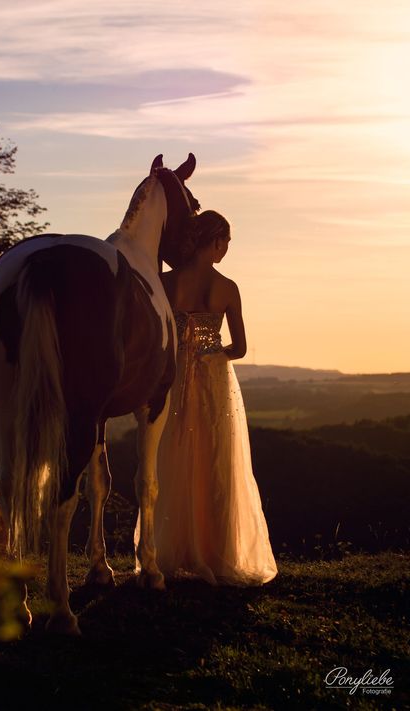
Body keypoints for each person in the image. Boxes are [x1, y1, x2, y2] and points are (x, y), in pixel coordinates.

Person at [154, 210, 277, 585]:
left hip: (173, 374)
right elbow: (239, 348)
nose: (226, 250)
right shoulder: (227, 287)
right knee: (216, 459)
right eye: (225, 243)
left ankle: (172, 550)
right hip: (212, 378)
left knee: (173, 457)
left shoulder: (165, 281)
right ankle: (215, 552)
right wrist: (212, 349)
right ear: (216, 241)